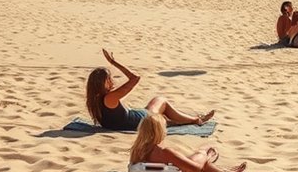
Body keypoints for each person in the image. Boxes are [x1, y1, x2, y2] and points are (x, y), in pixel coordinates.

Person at [86, 49, 214, 131]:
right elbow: (135, 78)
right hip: (141, 122)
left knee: (159, 109)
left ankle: (181, 119)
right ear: (102, 83)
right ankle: (196, 120)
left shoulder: (95, 99)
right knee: (161, 100)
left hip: (133, 120)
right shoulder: (110, 98)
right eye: (109, 79)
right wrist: (114, 63)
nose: (112, 81)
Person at [129, 114, 246, 172]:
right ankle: (221, 170)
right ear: (160, 131)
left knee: (193, 158)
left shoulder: (137, 150)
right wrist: (207, 157)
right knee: (203, 155)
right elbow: (196, 169)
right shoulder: (165, 152)